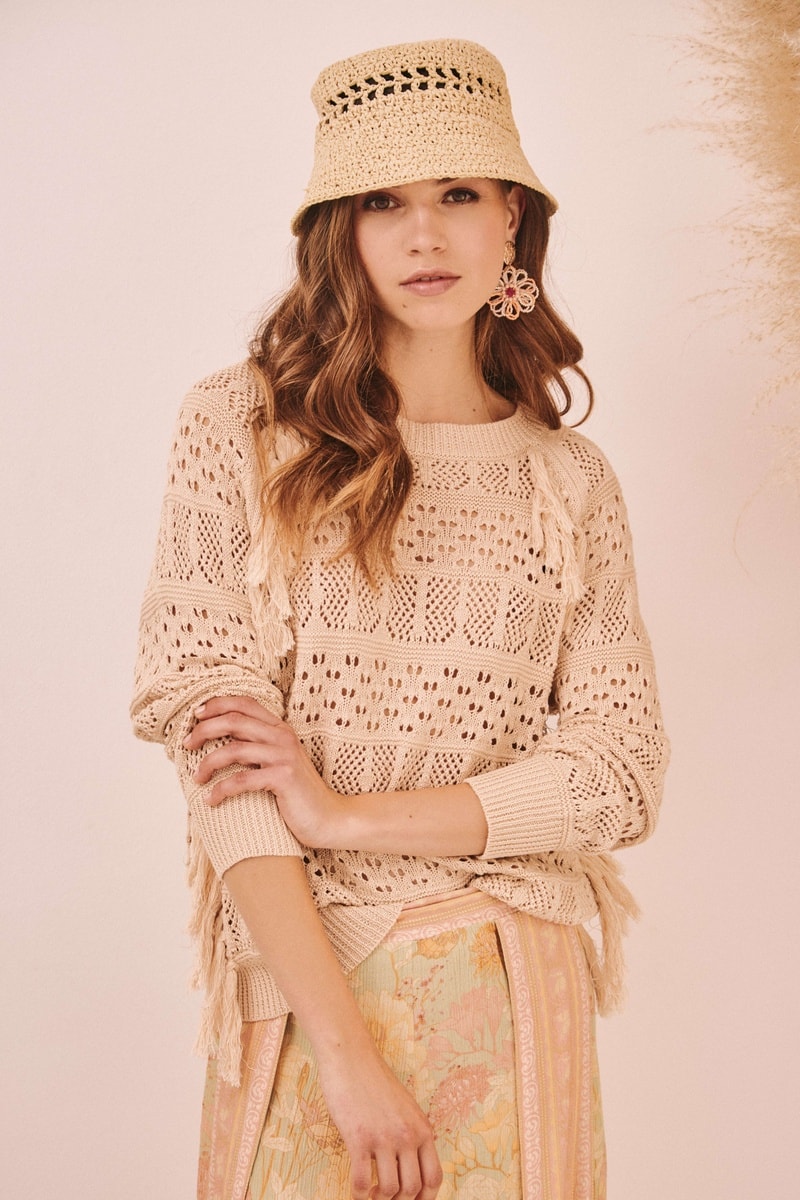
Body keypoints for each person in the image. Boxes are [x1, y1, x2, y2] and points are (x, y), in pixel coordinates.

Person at [131, 37, 669, 1200]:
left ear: (510, 219)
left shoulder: (568, 482)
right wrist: (345, 1057)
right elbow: (216, 755)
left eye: (457, 194)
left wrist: (344, 815)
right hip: (310, 996)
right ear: (341, 231)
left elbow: (618, 776)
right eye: (382, 201)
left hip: (514, 992)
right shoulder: (238, 429)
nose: (423, 235)